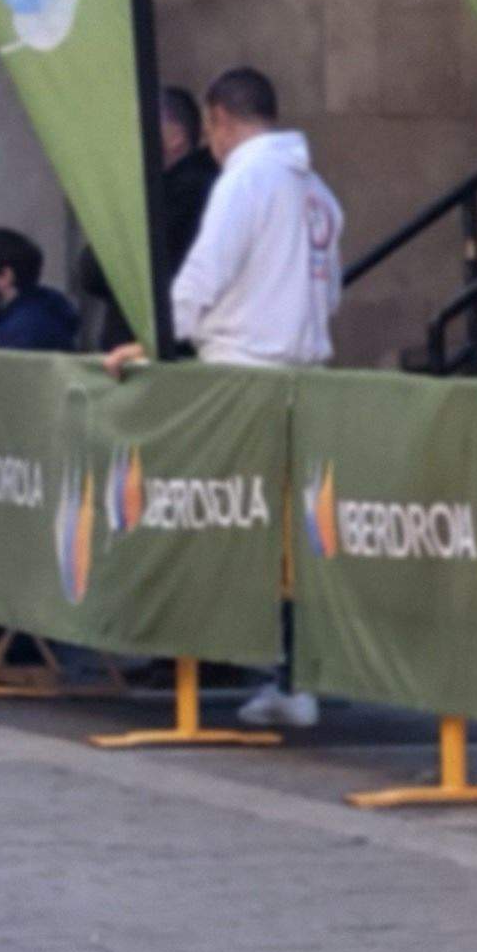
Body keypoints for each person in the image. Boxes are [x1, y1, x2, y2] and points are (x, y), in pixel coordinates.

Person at [115, 66, 341, 727]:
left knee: (236, 531)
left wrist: (156, 339)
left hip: (242, 376)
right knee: (290, 542)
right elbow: (330, 288)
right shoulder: (316, 190)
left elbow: (204, 272)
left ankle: (266, 672)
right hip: (306, 373)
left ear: (217, 120)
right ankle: (294, 676)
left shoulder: (247, 178)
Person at [84, 87, 219, 352]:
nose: (128, 139)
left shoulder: (185, 194)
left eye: (138, 127)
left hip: (157, 353)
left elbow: (105, 269)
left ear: (175, 137)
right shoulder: (172, 190)